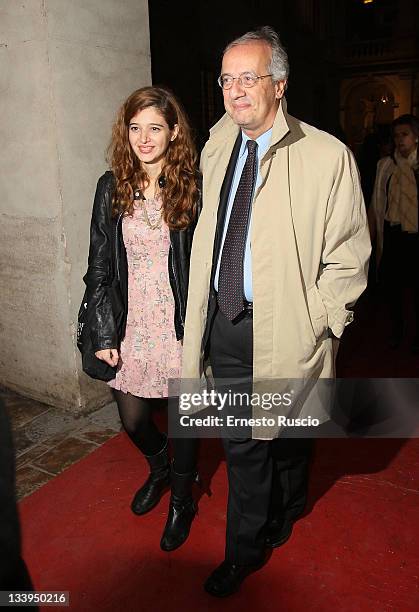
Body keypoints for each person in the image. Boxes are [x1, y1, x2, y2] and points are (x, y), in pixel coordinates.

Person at [181, 27, 370, 596]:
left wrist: (320, 318)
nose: (235, 91)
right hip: (228, 325)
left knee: (287, 434)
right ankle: (243, 549)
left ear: (280, 84)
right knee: (243, 444)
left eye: (249, 77)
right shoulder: (215, 147)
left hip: (289, 328)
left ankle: (290, 500)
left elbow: (349, 253)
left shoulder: (326, 155)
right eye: (226, 79)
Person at [83, 86, 200, 551]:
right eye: (135, 128)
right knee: (133, 420)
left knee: (185, 422)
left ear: (173, 132)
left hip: (177, 324)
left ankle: (184, 501)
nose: (144, 138)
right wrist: (104, 328)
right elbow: (99, 266)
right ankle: (160, 468)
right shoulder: (111, 186)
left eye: (155, 128)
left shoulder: (193, 184)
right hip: (132, 322)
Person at [369, 114, 419, 351]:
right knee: (393, 289)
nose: (400, 140)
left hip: (416, 235)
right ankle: (397, 333)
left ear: (416, 136)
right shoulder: (386, 165)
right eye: (397, 135)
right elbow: (377, 202)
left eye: (405, 134)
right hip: (393, 234)